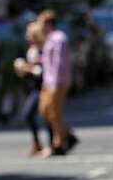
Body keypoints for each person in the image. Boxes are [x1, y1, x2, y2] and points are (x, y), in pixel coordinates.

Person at [37, 10, 78, 156]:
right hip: (49, 81)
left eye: (40, 22)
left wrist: (54, 83)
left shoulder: (58, 38)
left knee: (55, 113)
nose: (38, 26)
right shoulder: (49, 38)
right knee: (45, 110)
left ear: (48, 23)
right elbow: (48, 60)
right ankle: (67, 135)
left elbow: (59, 63)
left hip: (58, 81)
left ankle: (60, 144)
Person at [13, 21, 50, 156]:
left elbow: (40, 70)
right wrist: (22, 69)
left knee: (44, 115)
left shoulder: (42, 48)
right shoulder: (31, 50)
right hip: (34, 87)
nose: (26, 36)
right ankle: (37, 143)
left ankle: (51, 144)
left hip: (43, 87)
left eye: (29, 33)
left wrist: (26, 68)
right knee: (30, 115)